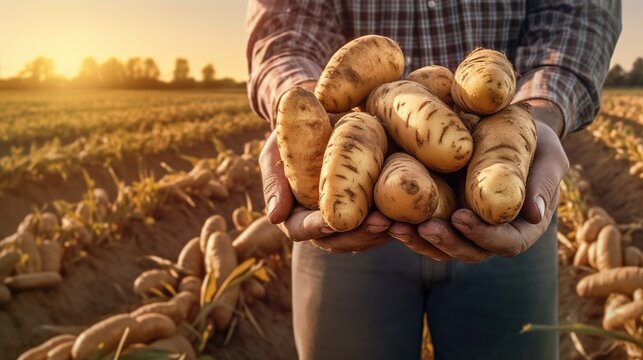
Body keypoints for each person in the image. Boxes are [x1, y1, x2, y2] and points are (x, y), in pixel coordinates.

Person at [245, 1, 621, 359]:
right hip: (350, 215)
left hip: (507, 205)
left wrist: (541, 111)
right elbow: (284, 24)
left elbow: (580, 13)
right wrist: (302, 110)